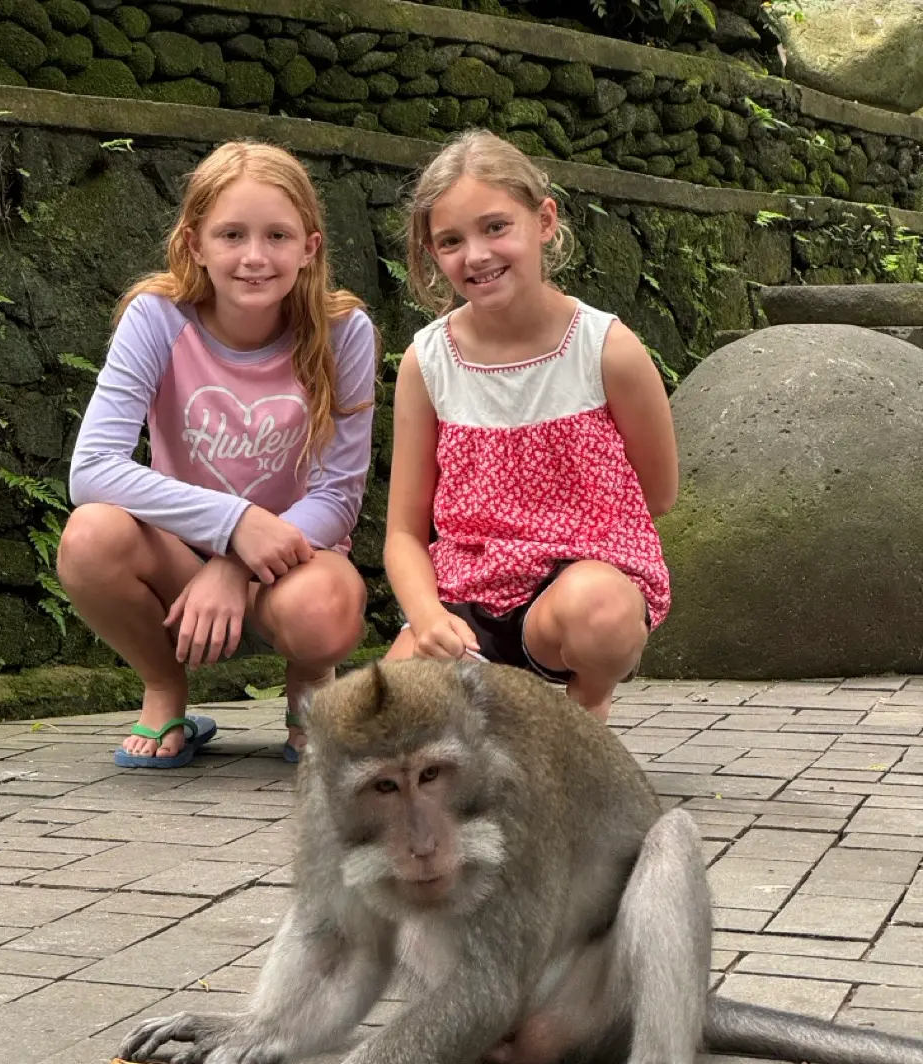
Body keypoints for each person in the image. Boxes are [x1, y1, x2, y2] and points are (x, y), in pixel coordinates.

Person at [58, 140, 376, 768]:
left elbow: (338, 495)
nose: (254, 257)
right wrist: (230, 525)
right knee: (90, 536)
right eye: (231, 234)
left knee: (323, 609)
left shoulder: (343, 333)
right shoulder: (156, 317)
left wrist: (236, 559)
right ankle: (163, 687)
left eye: (277, 236)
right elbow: (92, 468)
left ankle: (310, 689)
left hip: (295, 563)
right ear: (195, 243)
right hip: (176, 565)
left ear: (309, 248)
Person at [384, 129, 678, 723]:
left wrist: (575, 538)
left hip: (576, 591)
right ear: (433, 254)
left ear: (544, 220)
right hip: (465, 596)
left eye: (496, 227)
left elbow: (659, 493)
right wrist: (428, 617)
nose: (477, 255)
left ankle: (586, 703)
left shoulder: (606, 349)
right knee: (385, 724)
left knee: (600, 611)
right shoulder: (428, 362)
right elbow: (404, 534)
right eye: (451, 241)